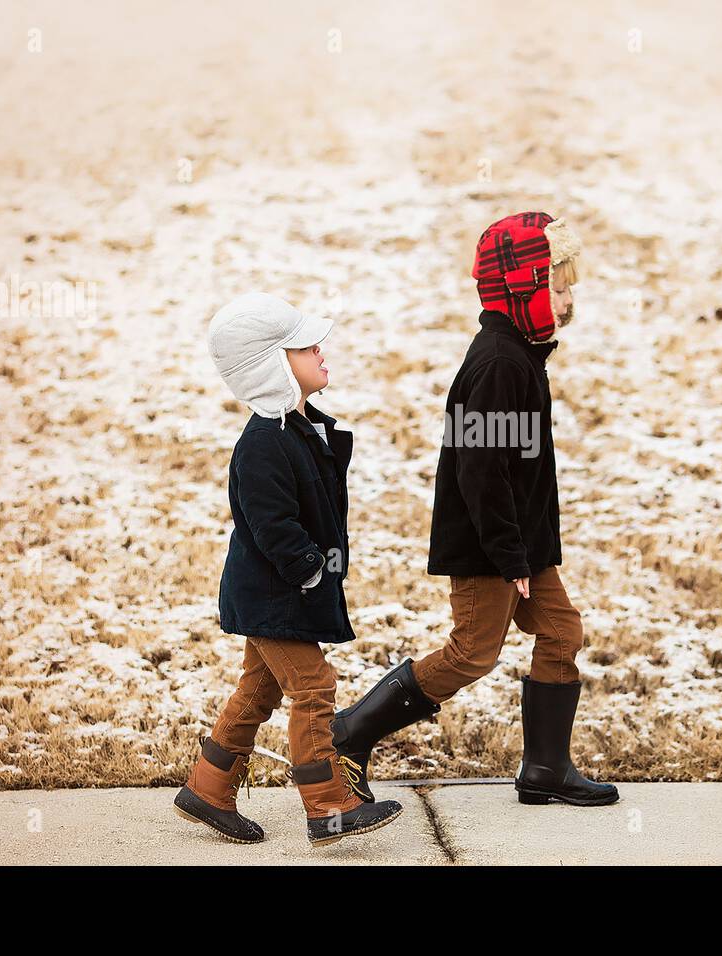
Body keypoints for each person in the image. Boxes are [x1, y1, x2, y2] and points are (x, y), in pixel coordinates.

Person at [332, 212, 619, 808]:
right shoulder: (498, 364)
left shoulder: (520, 353)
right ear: (522, 289)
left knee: (562, 632)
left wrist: (529, 549)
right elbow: (481, 472)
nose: (567, 301)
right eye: (557, 287)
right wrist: (511, 555)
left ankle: (545, 767)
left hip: (519, 543)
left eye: (569, 288)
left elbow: (515, 466)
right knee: (472, 653)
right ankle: (349, 733)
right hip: (492, 545)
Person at [173, 292, 402, 846]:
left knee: (259, 687)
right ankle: (328, 805)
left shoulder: (299, 430)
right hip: (273, 595)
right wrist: (310, 572)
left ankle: (207, 788)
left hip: (279, 593)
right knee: (314, 686)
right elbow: (271, 524)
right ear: (274, 364)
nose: (320, 350)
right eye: (304, 346)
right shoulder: (263, 443)